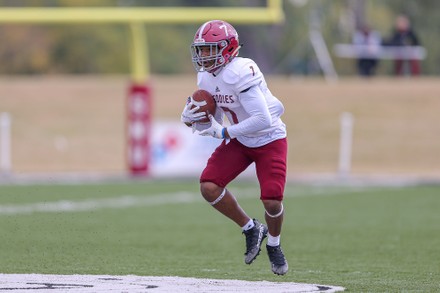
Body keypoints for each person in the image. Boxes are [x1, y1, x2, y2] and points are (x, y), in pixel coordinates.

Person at [180, 20, 288, 275]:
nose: (204, 56)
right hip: (241, 139)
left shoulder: (242, 70)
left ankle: (274, 243)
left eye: (210, 49)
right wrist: (192, 118)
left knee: (272, 201)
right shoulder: (205, 76)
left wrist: (225, 132)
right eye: (202, 50)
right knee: (209, 185)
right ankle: (251, 228)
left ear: (227, 48)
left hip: (269, 138)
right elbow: (214, 118)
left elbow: (263, 119)